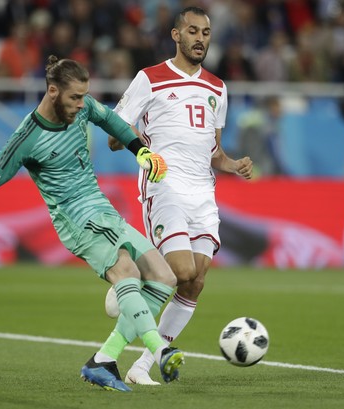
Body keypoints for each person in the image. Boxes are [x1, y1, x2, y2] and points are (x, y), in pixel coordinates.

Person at [0, 57, 184, 392]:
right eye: (75, 97)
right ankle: (162, 351)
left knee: (164, 277)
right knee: (127, 273)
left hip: (103, 211)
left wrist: (140, 151)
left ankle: (103, 360)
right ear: (53, 91)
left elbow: (112, 121)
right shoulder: (26, 138)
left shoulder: (83, 109)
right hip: (77, 220)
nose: (81, 104)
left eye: (85, 96)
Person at [107, 6, 253, 385]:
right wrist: (142, 147)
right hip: (164, 187)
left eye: (205, 33)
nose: (200, 38)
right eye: (192, 31)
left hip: (203, 193)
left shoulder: (218, 88)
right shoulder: (149, 78)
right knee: (180, 271)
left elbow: (214, 153)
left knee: (196, 281)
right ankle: (134, 278)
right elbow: (113, 134)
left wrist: (233, 164)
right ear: (176, 35)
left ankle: (141, 367)